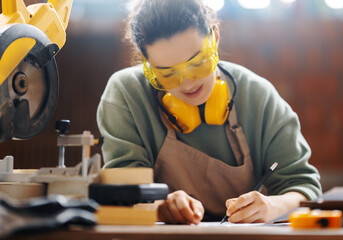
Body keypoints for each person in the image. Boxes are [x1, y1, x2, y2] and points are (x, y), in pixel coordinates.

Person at [97, 0, 321, 225]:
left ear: (214, 38)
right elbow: (123, 194)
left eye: (196, 63)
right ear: (147, 64)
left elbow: (304, 187)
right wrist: (159, 208)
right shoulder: (126, 95)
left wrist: (273, 206)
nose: (186, 84)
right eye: (167, 73)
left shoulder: (257, 95)